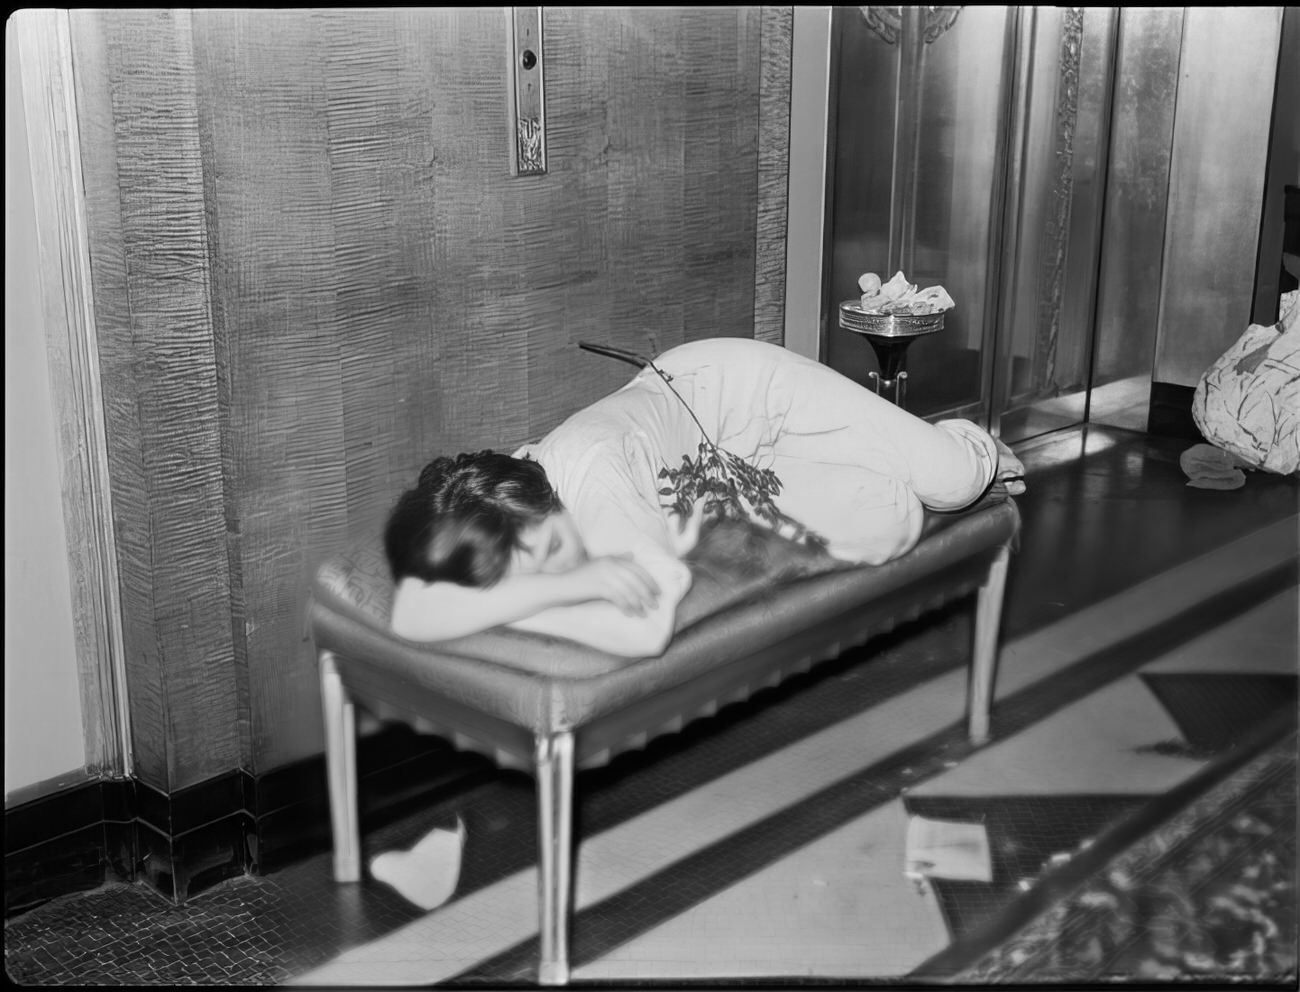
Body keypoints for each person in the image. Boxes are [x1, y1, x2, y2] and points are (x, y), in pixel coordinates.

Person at [386, 337, 1025, 658]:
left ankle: (969, 445)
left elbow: (648, 626)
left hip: (743, 396)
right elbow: (410, 614)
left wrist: (524, 599)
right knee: (891, 521)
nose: (563, 563)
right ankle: (885, 454)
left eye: (553, 545)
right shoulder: (516, 510)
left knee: (953, 480)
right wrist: (536, 590)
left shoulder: (590, 480)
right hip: (722, 475)